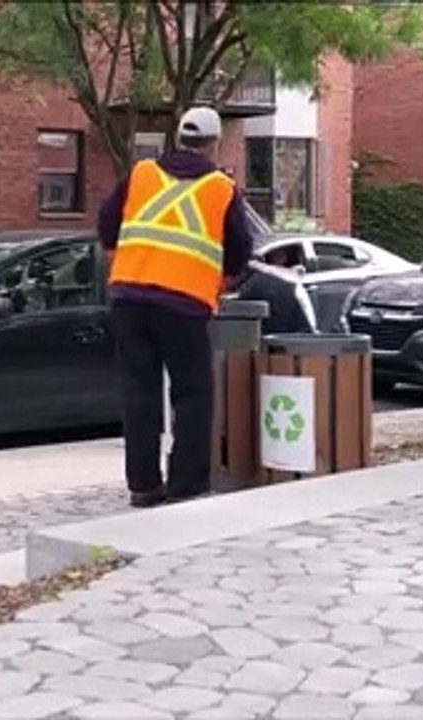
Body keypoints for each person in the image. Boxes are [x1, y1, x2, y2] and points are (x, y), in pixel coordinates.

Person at [97, 107, 256, 508]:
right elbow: (239, 251)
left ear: (178, 137)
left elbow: (105, 222)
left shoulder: (142, 174)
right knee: (192, 392)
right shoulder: (221, 188)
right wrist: (223, 282)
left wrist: (124, 260)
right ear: (214, 143)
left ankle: (144, 486)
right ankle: (186, 485)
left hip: (128, 299)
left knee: (139, 392)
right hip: (183, 305)